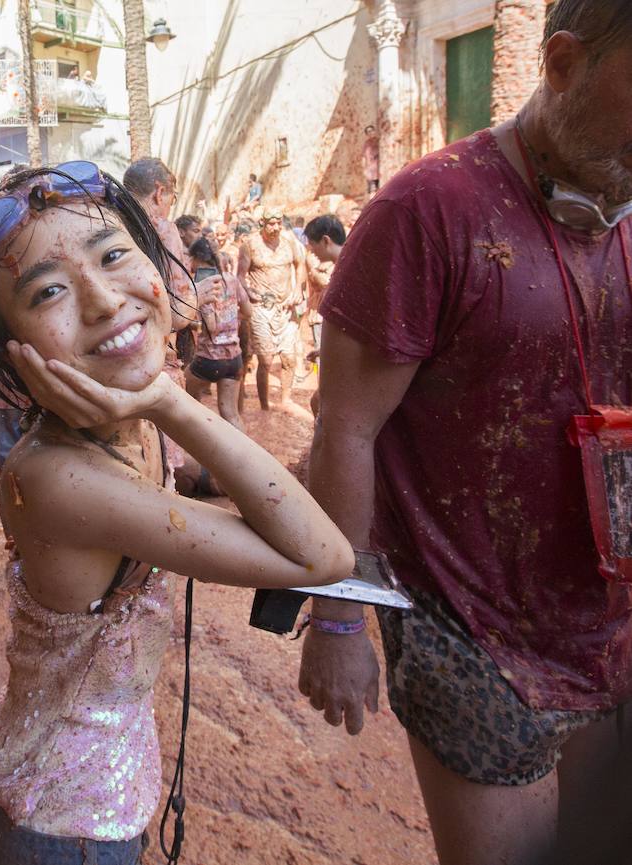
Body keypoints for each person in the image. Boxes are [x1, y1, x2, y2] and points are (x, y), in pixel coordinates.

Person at [297, 4, 632, 864]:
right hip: (469, 631)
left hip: (607, 622)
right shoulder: (428, 209)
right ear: (561, 65)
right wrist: (339, 616)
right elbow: (345, 428)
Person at [0, 161, 354, 865]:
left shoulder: (123, 421)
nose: (104, 300)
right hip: (65, 823)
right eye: (48, 291)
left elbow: (250, 494)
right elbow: (323, 556)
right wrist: (169, 398)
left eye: (112, 255)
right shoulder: (58, 477)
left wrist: (161, 406)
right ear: (11, 356)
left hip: (101, 787)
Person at [237, 208, 310, 419]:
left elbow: (300, 265)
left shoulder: (290, 242)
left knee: (288, 357)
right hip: (261, 307)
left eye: (279, 223)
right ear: (262, 224)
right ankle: (264, 404)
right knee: (265, 359)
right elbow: (240, 276)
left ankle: (286, 399)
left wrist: (298, 290)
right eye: (271, 223)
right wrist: (248, 291)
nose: (276, 227)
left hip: (285, 306)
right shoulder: (249, 245)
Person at [184, 237, 253, 433]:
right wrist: (230, 319)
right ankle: (244, 456)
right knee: (230, 413)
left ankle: (202, 443)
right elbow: (248, 312)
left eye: (191, 259)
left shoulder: (204, 285)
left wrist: (188, 321)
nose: (190, 264)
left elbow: (212, 327)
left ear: (197, 258)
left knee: (181, 392)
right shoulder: (231, 279)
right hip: (234, 358)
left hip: (209, 358)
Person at [121, 157, 196, 304]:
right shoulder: (165, 231)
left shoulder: (113, 221)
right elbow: (178, 311)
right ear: (159, 193)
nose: (169, 208)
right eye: (172, 200)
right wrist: (199, 294)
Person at [302, 214, 345, 354]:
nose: (312, 251)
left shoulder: (348, 269)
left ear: (326, 241)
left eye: (313, 245)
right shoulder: (342, 266)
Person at [362, 124, 381, 196]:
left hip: (381, 170)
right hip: (371, 172)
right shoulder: (366, 144)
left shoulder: (380, 141)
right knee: (373, 192)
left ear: (374, 131)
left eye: (371, 131)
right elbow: (363, 157)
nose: (370, 133)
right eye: (368, 132)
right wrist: (364, 170)